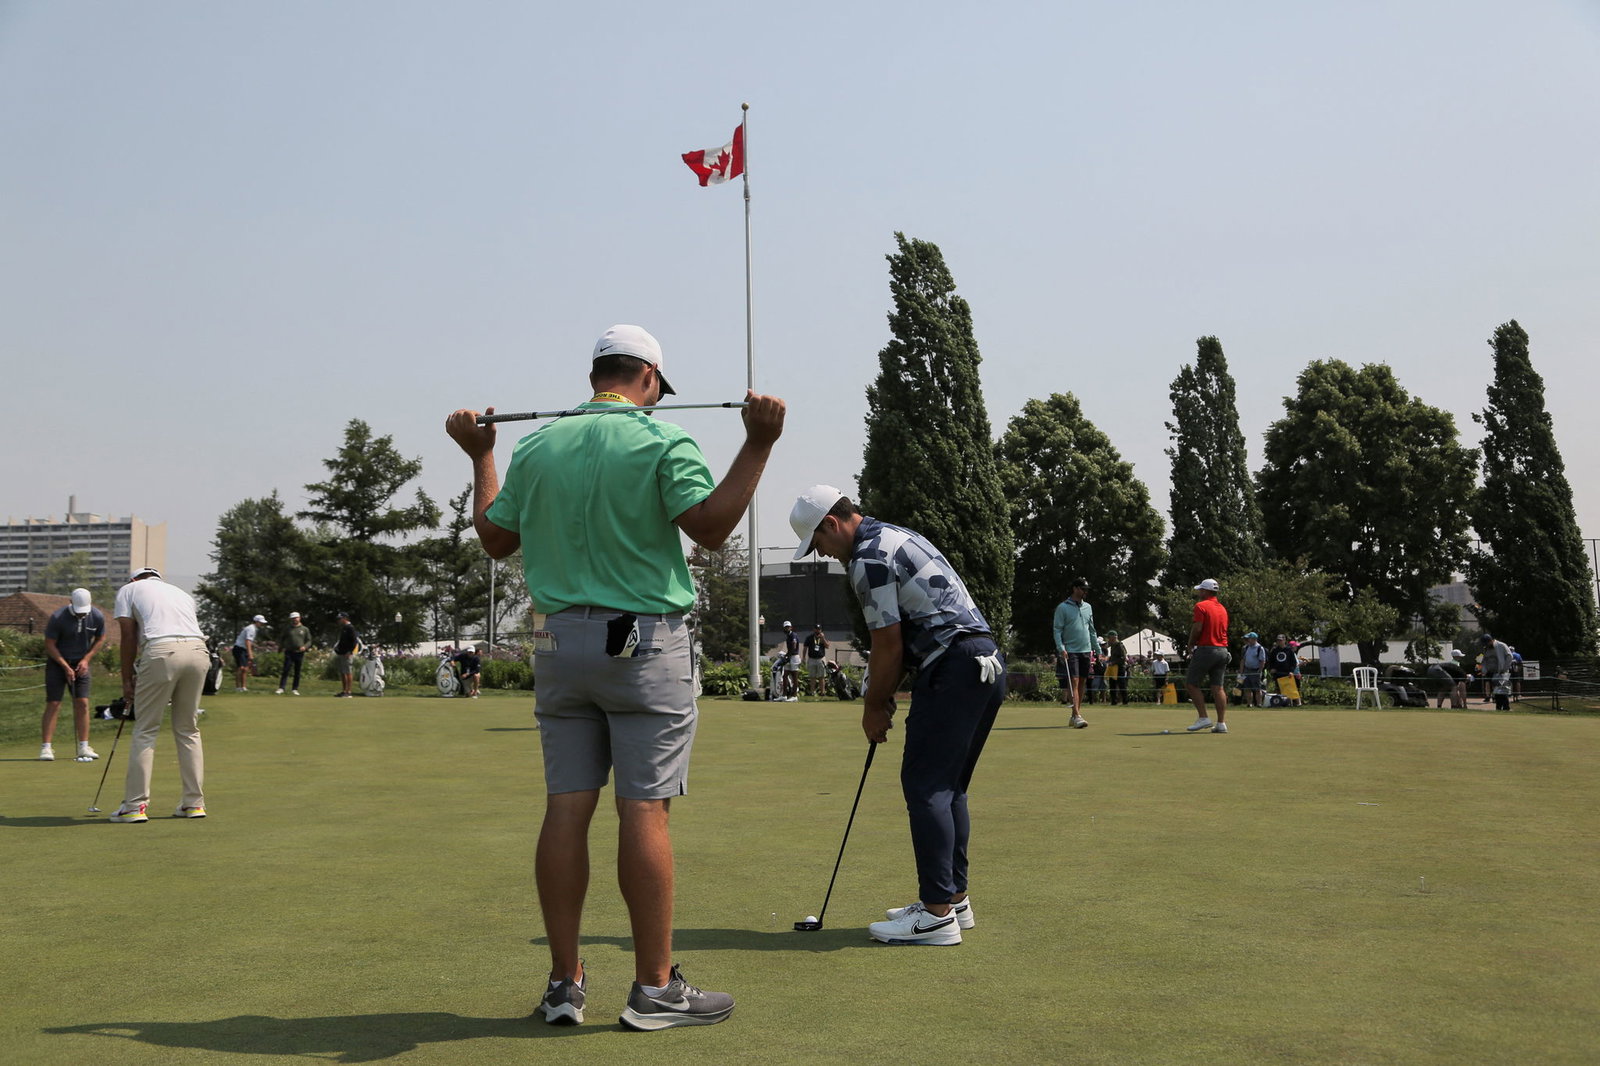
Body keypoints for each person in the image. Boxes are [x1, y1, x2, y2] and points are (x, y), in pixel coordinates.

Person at [446, 322, 785, 1030]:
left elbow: (494, 537)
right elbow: (713, 527)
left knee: (567, 806)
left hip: (557, 642)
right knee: (644, 809)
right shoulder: (663, 439)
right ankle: (656, 990)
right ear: (649, 380)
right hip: (643, 646)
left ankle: (564, 984)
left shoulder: (538, 445)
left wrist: (482, 456)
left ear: (599, 372)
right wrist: (759, 442)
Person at [789, 485, 1006, 948]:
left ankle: (935, 916)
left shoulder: (866, 558)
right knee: (949, 789)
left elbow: (888, 643)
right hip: (983, 661)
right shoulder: (897, 536)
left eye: (819, 544)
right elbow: (910, 632)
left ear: (831, 524)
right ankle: (952, 899)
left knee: (927, 788)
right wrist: (884, 691)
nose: (824, 555)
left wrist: (872, 707)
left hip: (953, 668)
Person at [109, 567, 209, 822]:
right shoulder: (181, 593)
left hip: (161, 650)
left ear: (134, 579)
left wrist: (126, 680)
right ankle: (194, 804)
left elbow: (128, 636)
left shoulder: (129, 590)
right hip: (199, 652)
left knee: (146, 729)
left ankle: (134, 807)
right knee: (188, 729)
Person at [40, 588, 109, 762]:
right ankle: (46, 748)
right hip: (57, 664)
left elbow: (100, 638)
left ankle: (84, 746)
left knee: (83, 703)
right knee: (54, 703)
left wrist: (86, 660)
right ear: (70, 603)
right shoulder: (58, 617)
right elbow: (49, 644)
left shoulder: (97, 616)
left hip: (81, 664)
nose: (81, 615)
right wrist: (64, 666)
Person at [1184, 578, 1231, 733]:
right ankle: (1221, 723)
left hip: (1207, 649)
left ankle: (1203, 717)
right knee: (1218, 687)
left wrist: (1191, 643)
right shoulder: (1222, 608)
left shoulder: (1201, 606)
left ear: (1205, 591)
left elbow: (1197, 628)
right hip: (1223, 650)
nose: (1199, 592)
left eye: (1200, 590)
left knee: (1191, 683)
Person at [1051, 579, 1096, 728]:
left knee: (1082, 681)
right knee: (1074, 682)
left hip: (1085, 649)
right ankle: (1077, 715)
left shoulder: (1088, 607)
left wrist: (1097, 648)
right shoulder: (1062, 608)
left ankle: (1074, 715)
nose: (1085, 592)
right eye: (1082, 589)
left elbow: (1091, 629)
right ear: (1075, 588)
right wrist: (1060, 647)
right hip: (1070, 650)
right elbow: (1057, 629)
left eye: (1086, 589)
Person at [275, 611, 311, 695]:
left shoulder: (304, 629)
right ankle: (281, 688)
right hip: (289, 652)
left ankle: (295, 689)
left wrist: (305, 647)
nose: (295, 619)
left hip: (299, 652)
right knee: (286, 670)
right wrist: (280, 648)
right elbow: (282, 639)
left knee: (297, 671)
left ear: (299, 618)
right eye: (293, 618)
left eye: (296, 618)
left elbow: (309, 640)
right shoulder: (287, 628)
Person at [232, 613, 266, 691]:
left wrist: (256, 646)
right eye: (261, 622)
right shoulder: (251, 628)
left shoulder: (254, 629)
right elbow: (247, 641)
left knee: (245, 669)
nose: (262, 624)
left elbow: (249, 641)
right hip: (239, 649)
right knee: (241, 668)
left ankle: (243, 687)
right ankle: (237, 687)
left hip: (243, 649)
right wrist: (250, 654)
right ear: (256, 621)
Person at [1266, 633, 1301, 707]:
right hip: (1277, 673)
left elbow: (1293, 662)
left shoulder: (1289, 650)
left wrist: (1291, 671)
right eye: (1278, 640)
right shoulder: (1274, 651)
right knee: (1278, 689)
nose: (1279, 642)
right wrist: (1271, 668)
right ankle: (1280, 703)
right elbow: (1270, 661)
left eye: (1281, 640)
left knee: (1291, 689)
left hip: (1288, 673)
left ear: (1284, 640)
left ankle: (1298, 703)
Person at [1481, 633, 1513, 710]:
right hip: (1491, 673)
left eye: (1487, 643)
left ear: (1491, 640)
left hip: (1501, 673)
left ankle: (1506, 708)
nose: (1487, 645)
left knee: (1502, 691)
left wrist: (1504, 669)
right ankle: (1498, 708)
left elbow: (1509, 656)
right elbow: (1484, 660)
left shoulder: (1501, 645)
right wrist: (1484, 670)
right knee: (1496, 692)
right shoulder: (1486, 649)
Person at [333, 612, 360, 697]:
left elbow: (354, 641)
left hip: (347, 654)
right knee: (343, 672)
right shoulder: (344, 628)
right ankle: (344, 690)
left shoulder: (350, 628)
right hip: (342, 653)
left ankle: (348, 691)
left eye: (340, 619)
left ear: (345, 618)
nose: (339, 620)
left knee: (348, 672)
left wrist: (350, 651)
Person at [1238, 632, 1267, 708]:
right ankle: (1249, 704)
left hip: (1256, 670)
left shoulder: (1259, 648)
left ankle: (1259, 704)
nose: (1248, 640)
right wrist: (1241, 672)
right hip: (1246, 670)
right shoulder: (1246, 647)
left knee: (1257, 688)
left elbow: (1262, 660)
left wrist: (1260, 671)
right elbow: (1243, 660)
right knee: (1247, 688)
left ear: (1254, 639)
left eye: (1249, 639)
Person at [803, 623, 830, 697]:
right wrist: (803, 657)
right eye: (816, 629)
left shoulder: (823, 637)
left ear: (820, 630)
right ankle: (812, 692)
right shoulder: (809, 638)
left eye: (819, 629)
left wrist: (823, 638)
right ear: (814, 629)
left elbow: (827, 646)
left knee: (821, 677)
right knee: (812, 677)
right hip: (812, 659)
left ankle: (822, 692)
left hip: (820, 659)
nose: (817, 630)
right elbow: (805, 647)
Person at [1104, 631, 1128, 705]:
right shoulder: (1113, 645)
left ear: (1114, 637)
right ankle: (1113, 701)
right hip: (1113, 667)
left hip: (1119, 667)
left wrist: (1113, 662)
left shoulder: (1119, 645)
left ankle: (1125, 701)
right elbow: (1115, 656)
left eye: (1109, 637)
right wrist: (1109, 659)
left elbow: (1123, 657)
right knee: (1112, 684)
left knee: (1122, 685)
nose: (1108, 639)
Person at [780, 621, 801, 700]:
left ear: (791, 627)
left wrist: (787, 656)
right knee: (785, 676)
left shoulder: (793, 635)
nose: (787, 628)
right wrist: (787, 656)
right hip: (790, 657)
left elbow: (794, 647)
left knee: (794, 676)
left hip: (794, 657)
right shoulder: (788, 636)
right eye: (786, 627)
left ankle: (794, 696)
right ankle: (784, 695)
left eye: (788, 627)